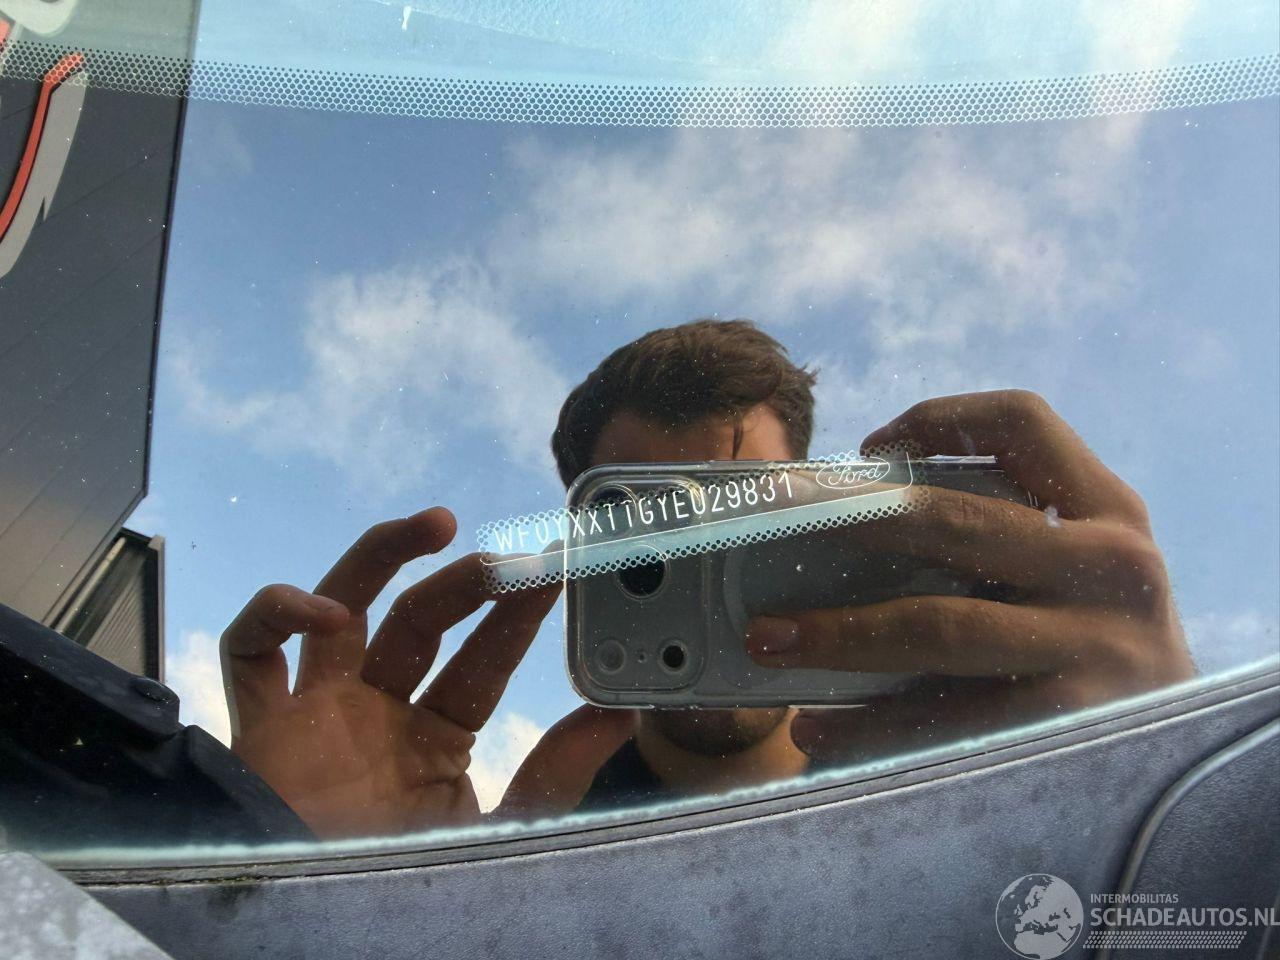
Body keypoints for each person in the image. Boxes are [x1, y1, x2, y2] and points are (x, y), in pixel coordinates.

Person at [220, 319, 1195, 838]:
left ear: (827, 514)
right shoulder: (555, 793)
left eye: (747, 520)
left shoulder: (978, 753)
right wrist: (339, 886)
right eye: (650, 528)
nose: (705, 571)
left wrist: (1161, 767)